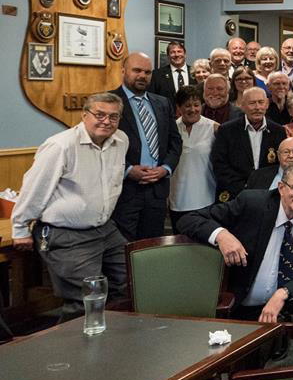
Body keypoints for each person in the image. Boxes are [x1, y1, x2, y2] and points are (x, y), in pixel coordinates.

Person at [11, 93, 129, 321]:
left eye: (113, 117)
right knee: (87, 298)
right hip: (66, 234)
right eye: (100, 115)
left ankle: (114, 341)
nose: (106, 121)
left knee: (132, 281)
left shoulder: (121, 141)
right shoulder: (60, 146)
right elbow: (34, 189)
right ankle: (71, 352)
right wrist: (20, 228)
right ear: (84, 115)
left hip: (106, 230)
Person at [179, 162, 293, 322]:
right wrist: (222, 235)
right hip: (240, 308)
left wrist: (285, 292)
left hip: (288, 312)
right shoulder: (252, 203)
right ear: (281, 188)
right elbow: (189, 219)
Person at [110, 52, 182, 241]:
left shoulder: (162, 103)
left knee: (151, 247)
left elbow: (175, 142)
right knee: (123, 250)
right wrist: (128, 170)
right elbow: (101, 147)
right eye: (137, 70)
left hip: (157, 191)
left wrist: (165, 169)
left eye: (147, 72)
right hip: (124, 191)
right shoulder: (108, 102)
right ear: (123, 70)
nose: (142, 76)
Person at [211, 87, 285, 202]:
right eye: (252, 103)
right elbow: (219, 164)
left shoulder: (278, 131)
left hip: (268, 194)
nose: (257, 108)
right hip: (234, 194)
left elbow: (280, 164)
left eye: (261, 102)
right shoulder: (226, 130)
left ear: (267, 104)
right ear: (242, 106)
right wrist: (243, 188)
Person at [169, 86, 218, 232]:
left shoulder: (214, 128)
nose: (192, 109)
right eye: (187, 106)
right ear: (178, 107)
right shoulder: (171, 128)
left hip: (206, 198)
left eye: (196, 105)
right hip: (177, 199)